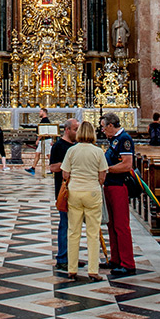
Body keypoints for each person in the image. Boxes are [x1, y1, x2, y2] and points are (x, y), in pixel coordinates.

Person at [60, 120, 109, 281]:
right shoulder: (98, 151)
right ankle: (93, 270)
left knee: (73, 231)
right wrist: (93, 181)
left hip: (74, 192)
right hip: (92, 193)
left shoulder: (72, 151)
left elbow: (65, 174)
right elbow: (103, 176)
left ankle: (72, 269)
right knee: (93, 233)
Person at [100, 111, 136, 276]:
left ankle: (127, 263)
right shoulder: (114, 140)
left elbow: (127, 165)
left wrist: (105, 170)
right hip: (110, 185)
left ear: (110, 125)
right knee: (112, 224)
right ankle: (116, 259)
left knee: (121, 225)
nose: (102, 130)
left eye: (103, 127)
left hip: (118, 185)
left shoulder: (124, 139)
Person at [48, 117, 79, 270]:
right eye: (75, 129)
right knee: (65, 224)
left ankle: (72, 257)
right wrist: (68, 165)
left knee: (76, 226)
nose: (77, 132)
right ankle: (62, 258)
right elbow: (53, 168)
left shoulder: (78, 145)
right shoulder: (58, 146)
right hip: (64, 190)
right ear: (67, 130)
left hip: (78, 189)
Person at [26, 107, 51, 176]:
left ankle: (53, 168)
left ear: (44, 112)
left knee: (49, 154)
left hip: (45, 140)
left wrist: (38, 139)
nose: (39, 113)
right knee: (37, 153)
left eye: (40, 112)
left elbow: (43, 131)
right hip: (42, 140)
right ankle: (33, 168)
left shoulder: (45, 120)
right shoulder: (43, 120)